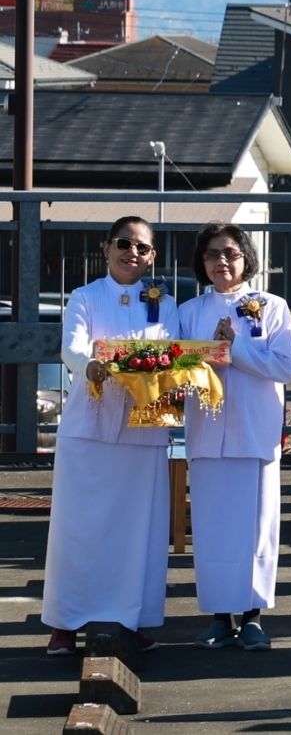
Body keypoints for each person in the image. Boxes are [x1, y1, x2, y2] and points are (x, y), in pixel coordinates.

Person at [43, 219, 189, 656]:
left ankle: (131, 620)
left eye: (142, 248)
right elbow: (72, 347)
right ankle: (65, 624)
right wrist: (89, 365)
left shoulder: (167, 304)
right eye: (124, 244)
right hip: (89, 427)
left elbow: (175, 355)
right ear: (107, 247)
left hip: (144, 428)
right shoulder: (85, 296)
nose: (132, 253)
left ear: (153, 256)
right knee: (78, 529)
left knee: (136, 533)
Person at [176, 222, 291, 650]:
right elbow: (178, 370)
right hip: (207, 432)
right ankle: (219, 616)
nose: (222, 261)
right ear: (201, 262)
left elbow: (283, 367)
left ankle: (253, 617)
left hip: (255, 430)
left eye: (230, 253)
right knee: (211, 528)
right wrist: (206, 356)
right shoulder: (188, 312)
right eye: (212, 254)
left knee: (257, 526)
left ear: (246, 257)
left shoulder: (272, 306)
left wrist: (235, 349)